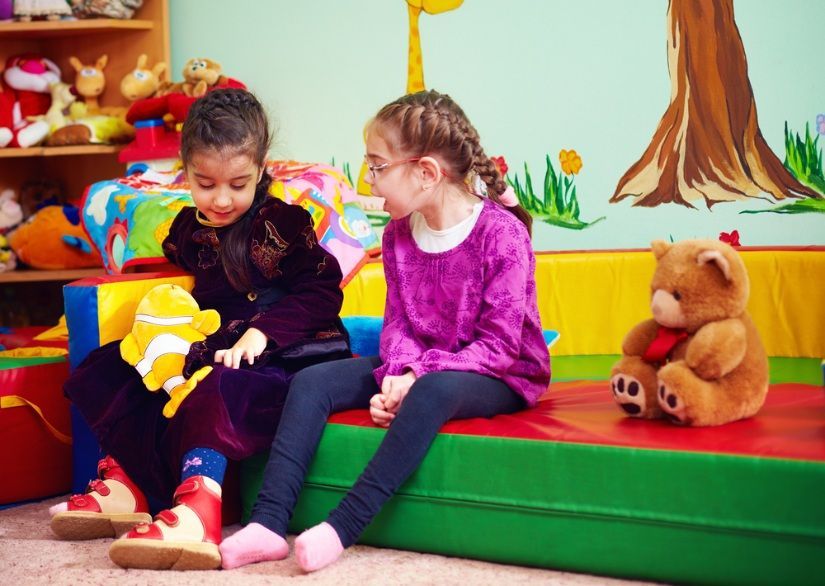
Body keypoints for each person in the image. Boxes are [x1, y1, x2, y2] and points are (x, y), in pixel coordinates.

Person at [219, 89, 551, 573]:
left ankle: (342, 527)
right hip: (423, 365)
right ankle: (268, 524)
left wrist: (415, 377)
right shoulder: (397, 234)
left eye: (377, 167)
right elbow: (397, 325)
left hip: (500, 372)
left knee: (433, 391)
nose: (369, 182)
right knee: (314, 381)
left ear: (426, 172)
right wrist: (397, 372)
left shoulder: (502, 235)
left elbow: (499, 346)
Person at [49, 88, 350, 571]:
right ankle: (128, 485)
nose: (223, 199)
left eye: (238, 183)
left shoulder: (284, 223)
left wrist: (263, 333)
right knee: (117, 364)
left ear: (260, 168)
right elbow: (174, 262)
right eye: (205, 183)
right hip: (217, 343)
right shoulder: (189, 228)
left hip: (286, 355)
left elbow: (322, 291)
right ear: (184, 170)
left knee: (213, 384)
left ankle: (199, 508)